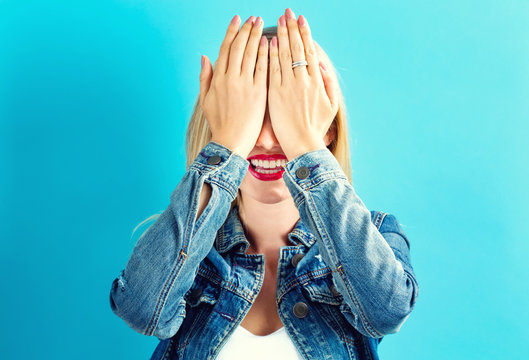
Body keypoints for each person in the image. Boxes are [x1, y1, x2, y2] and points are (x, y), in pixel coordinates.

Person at [109, 8, 420, 360]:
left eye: (283, 116)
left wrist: (305, 144)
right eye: (254, 116)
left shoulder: (378, 235)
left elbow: (387, 311)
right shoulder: (184, 245)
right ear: (220, 121)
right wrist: (227, 144)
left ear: (327, 130)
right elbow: (141, 310)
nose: (269, 140)